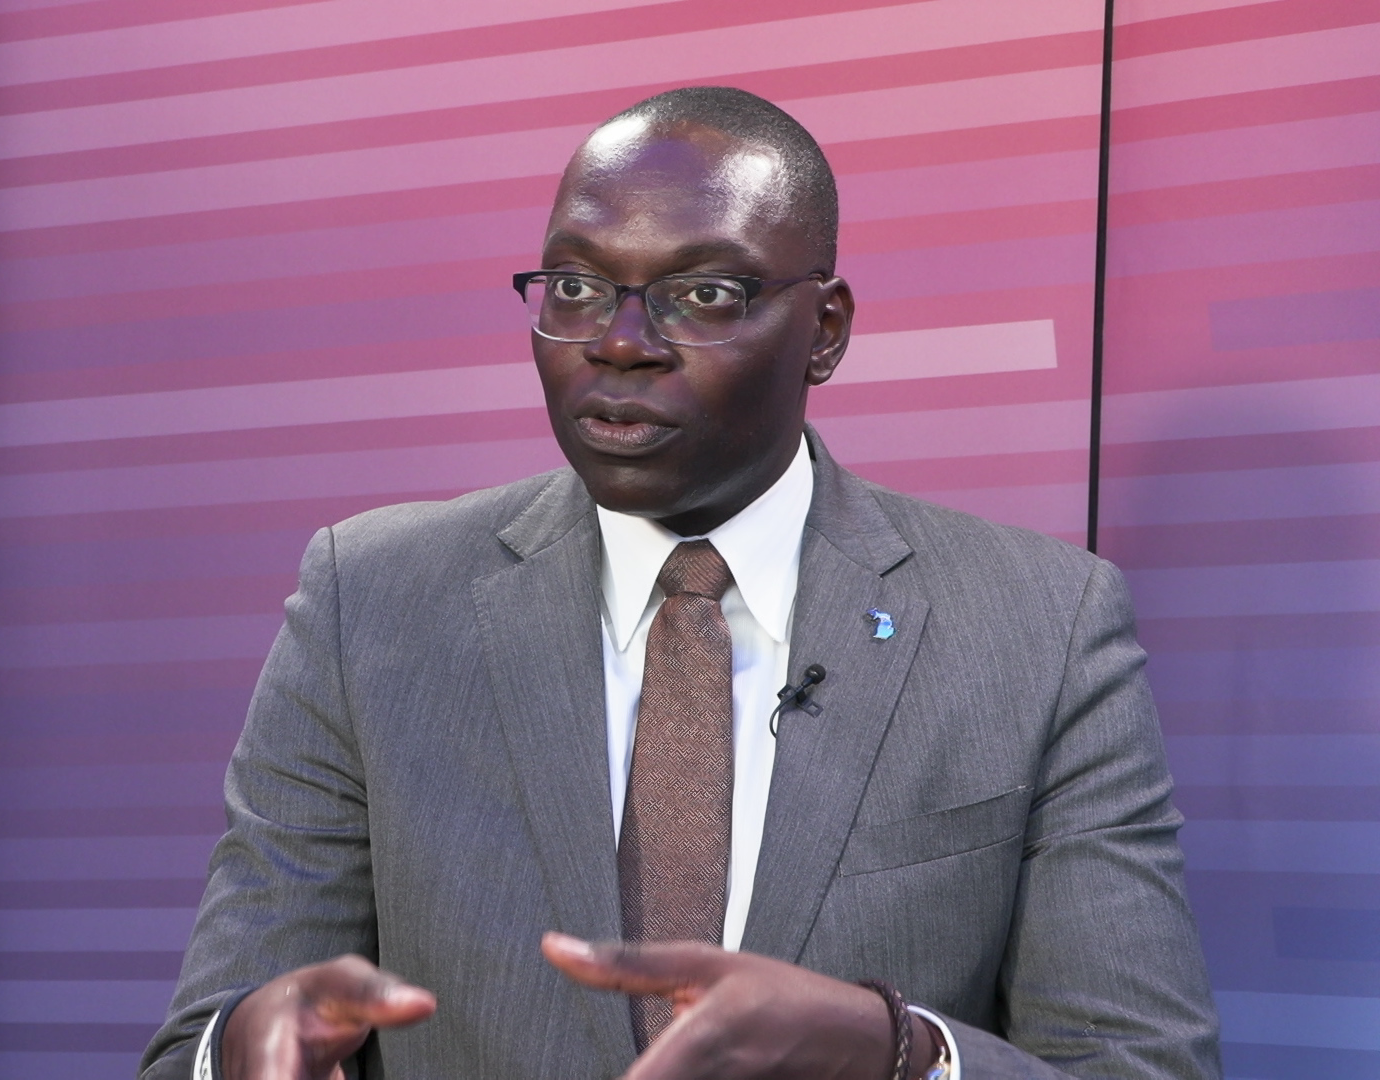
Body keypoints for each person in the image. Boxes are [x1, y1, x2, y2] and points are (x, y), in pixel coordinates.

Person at [140, 86, 1221, 1080]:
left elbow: (1139, 1067)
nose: (618, 343)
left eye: (701, 295)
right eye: (575, 286)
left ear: (825, 331)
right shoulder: (367, 602)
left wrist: (896, 1052)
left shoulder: (1040, 627)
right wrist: (238, 1048)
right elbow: (200, 1042)